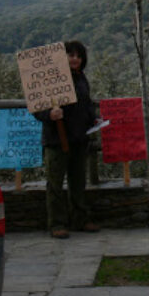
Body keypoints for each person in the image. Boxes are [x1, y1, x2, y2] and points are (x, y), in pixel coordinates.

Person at [33, 40, 100, 239]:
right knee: (55, 183)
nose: (75, 59)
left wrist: (93, 118)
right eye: (71, 55)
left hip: (79, 138)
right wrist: (49, 114)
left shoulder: (81, 78)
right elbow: (37, 107)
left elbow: (85, 104)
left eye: (78, 56)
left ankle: (80, 219)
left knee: (78, 182)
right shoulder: (50, 79)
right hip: (56, 139)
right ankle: (57, 223)